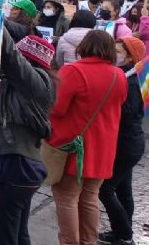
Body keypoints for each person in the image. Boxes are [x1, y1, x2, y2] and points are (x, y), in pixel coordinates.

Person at [48, 30, 128, 245]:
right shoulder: (118, 75)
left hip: (74, 147)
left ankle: (69, 242)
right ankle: (88, 241)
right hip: (103, 148)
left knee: (67, 198)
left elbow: (57, 109)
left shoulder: (72, 71)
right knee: (90, 198)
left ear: (83, 47)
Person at [0, 31, 56, 245]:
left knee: (3, 236)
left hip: (15, 166)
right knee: (17, 233)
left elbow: (11, 56)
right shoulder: (18, 85)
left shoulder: (36, 83)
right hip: (19, 166)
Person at [97, 37, 146, 245]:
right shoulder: (125, 76)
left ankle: (124, 233)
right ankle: (122, 234)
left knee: (105, 190)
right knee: (123, 190)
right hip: (129, 143)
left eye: (117, 50)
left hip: (127, 144)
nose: (113, 53)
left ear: (128, 56)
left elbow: (128, 112)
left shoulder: (130, 81)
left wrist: (109, 101)